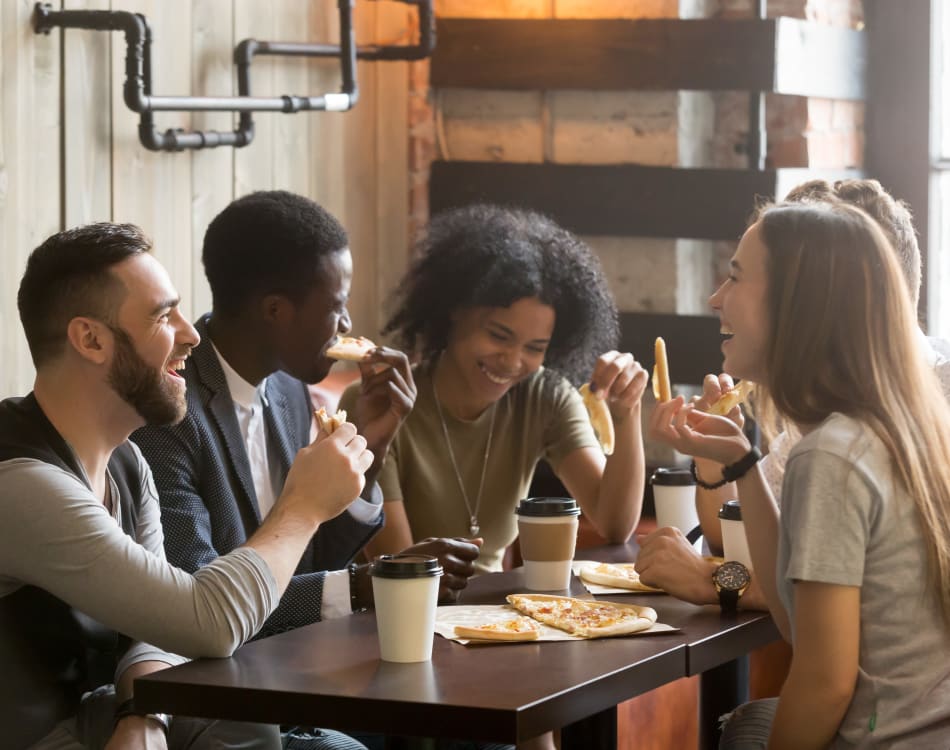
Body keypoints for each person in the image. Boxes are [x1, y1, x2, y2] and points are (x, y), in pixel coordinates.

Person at [0, 223, 372, 750]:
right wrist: (303, 507)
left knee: (258, 721)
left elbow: (152, 628)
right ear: (91, 339)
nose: (191, 334)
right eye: (162, 315)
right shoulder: (20, 483)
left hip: (98, 716)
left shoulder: (128, 460)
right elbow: (208, 622)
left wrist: (142, 717)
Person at [651, 201, 950, 748]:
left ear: (797, 307)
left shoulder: (834, 457)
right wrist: (742, 464)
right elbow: (798, 626)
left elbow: (823, 684)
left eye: (736, 277)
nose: (716, 298)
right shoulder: (895, 428)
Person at [636, 178, 950, 611]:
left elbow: (840, 616)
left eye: (739, 278)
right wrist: (723, 461)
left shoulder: (849, 445)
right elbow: (740, 538)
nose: (715, 298)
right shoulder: (830, 421)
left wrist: (719, 581)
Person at [343, 203, 648, 575]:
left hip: (498, 616)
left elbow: (613, 523)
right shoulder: (379, 404)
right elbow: (402, 572)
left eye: (535, 348)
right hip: (398, 615)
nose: (513, 361)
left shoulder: (545, 397)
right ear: (454, 310)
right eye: (498, 336)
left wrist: (626, 412)